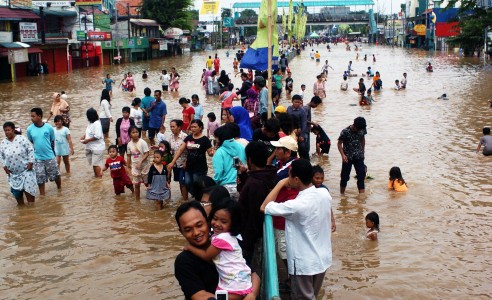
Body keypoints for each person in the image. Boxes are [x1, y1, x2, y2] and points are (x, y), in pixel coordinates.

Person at [260, 159, 332, 300]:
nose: (287, 179)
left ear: (297, 179)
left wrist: (280, 183)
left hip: (303, 263)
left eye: (289, 176)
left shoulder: (295, 205)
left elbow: (264, 207)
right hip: (322, 258)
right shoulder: (325, 194)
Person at [174, 201, 260, 300]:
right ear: (181, 232)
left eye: (199, 225)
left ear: (207, 221)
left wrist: (251, 295)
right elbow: (199, 296)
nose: (196, 233)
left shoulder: (228, 243)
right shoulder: (184, 261)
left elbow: (253, 274)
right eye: (188, 230)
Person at [237, 141, 277, 267]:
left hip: (251, 238)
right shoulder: (270, 174)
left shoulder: (255, 183)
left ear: (249, 159)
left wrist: (246, 243)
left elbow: (254, 216)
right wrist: (244, 175)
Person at [167, 120, 214, 199]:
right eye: (192, 127)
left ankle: (201, 199)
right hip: (189, 167)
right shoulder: (189, 137)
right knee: (187, 183)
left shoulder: (205, 139)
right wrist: (173, 162)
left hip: (200, 167)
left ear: (200, 128)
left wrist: (213, 152)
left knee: (197, 183)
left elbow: (210, 153)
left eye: (195, 127)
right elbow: (181, 150)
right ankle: (198, 196)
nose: (193, 129)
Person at [0, 122, 38, 205]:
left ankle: (32, 213)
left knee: (30, 195)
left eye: (8, 130)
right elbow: (1, 156)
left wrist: (31, 162)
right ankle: (22, 214)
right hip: (13, 174)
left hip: (26, 171)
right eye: (5, 131)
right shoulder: (3, 143)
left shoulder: (22, 139)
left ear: (13, 130)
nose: (7, 132)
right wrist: (4, 167)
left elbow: (30, 150)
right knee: (18, 198)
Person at [27, 108, 61, 195]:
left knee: (56, 175)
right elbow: (31, 140)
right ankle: (42, 195)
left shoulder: (48, 127)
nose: (31, 118)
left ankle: (59, 189)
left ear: (39, 116)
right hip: (37, 158)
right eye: (31, 116)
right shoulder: (29, 129)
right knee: (40, 179)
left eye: (33, 116)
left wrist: (52, 153)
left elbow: (52, 140)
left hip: (50, 156)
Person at [212, 125, 246, 199]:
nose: (216, 140)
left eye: (216, 138)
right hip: (240, 184)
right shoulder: (242, 147)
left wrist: (213, 184)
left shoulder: (219, 152)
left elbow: (218, 172)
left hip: (225, 187)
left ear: (221, 138)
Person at [337, 116, 367, 194]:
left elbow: (362, 139)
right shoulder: (345, 131)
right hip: (347, 157)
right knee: (344, 177)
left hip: (359, 156)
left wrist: (363, 151)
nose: (359, 131)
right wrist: (343, 155)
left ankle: (361, 198)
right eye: (358, 129)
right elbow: (339, 144)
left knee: (361, 176)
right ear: (354, 125)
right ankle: (342, 195)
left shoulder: (362, 129)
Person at [127, 126, 150, 201]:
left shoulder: (142, 142)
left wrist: (140, 161)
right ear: (130, 134)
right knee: (136, 185)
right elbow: (128, 156)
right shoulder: (129, 144)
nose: (135, 134)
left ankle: (152, 197)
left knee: (147, 183)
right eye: (133, 132)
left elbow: (147, 153)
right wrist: (128, 167)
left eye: (137, 132)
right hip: (135, 167)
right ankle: (137, 201)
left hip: (144, 166)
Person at [81, 108, 106, 177]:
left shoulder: (97, 123)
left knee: (96, 164)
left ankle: (99, 179)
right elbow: (89, 131)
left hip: (97, 147)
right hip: (91, 147)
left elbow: (97, 136)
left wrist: (87, 140)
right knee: (94, 164)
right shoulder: (90, 123)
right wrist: (84, 136)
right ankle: (97, 177)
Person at [312, 165, 336, 232]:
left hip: (321, 217)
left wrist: (332, 220)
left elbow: (329, 206)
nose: (319, 180)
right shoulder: (307, 189)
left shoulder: (324, 189)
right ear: (311, 177)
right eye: (317, 178)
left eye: (322, 178)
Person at [169, 120, 188, 200]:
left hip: (183, 163)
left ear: (179, 127)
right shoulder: (170, 137)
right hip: (175, 163)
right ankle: (183, 198)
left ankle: (185, 201)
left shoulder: (185, 137)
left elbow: (190, 150)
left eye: (173, 127)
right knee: (180, 182)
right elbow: (168, 149)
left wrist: (186, 161)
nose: (172, 128)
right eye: (171, 127)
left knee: (183, 183)